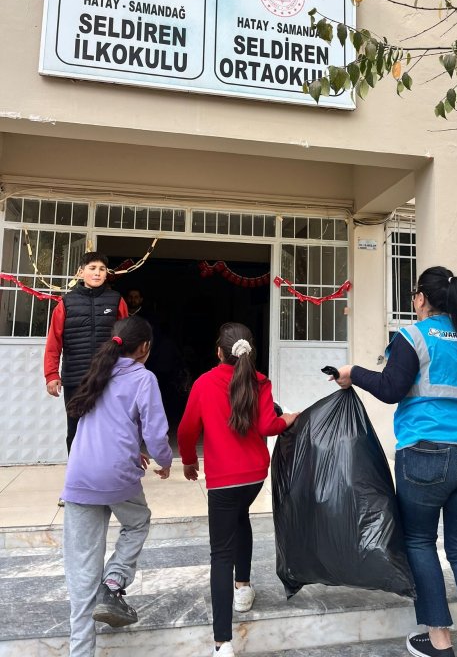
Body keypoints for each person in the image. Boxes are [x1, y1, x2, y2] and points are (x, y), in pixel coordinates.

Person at [334, 266, 457, 657]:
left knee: (419, 542)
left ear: (421, 299)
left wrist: (352, 373)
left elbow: (392, 389)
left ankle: (440, 642)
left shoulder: (413, 335)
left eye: (414, 294)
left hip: (426, 456)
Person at [177, 322, 298, 657]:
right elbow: (266, 426)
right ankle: (243, 588)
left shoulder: (204, 383)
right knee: (240, 516)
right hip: (254, 475)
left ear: (219, 352)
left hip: (223, 480)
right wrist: (288, 418)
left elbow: (187, 430)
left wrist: (188, 460)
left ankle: (222, 643)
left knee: (220, 555)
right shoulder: (259, 381)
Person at [62, 315, 172, 657]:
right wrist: (164, 461)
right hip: (117, 477)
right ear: (145, 348)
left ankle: (80, 652)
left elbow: (102, 424)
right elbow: (155, 434)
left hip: (79, 477)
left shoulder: (97, 370)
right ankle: (113, 584)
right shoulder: (144, 378)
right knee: (137, 521)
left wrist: (131, 449)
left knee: (81, 570)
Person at [44, 251, 128, 454]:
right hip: (76, 379)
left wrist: (128, 371)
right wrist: (51, 374)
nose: (97, 273)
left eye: (102, 269)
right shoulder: (66, 303)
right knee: (76, 429)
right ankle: (77, 476)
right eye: (92, 268)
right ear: (81, 272)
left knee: (110, 428)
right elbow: (54, 342)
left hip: (109, 377)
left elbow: (127, 339)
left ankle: (107, 474)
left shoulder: (116, 300)